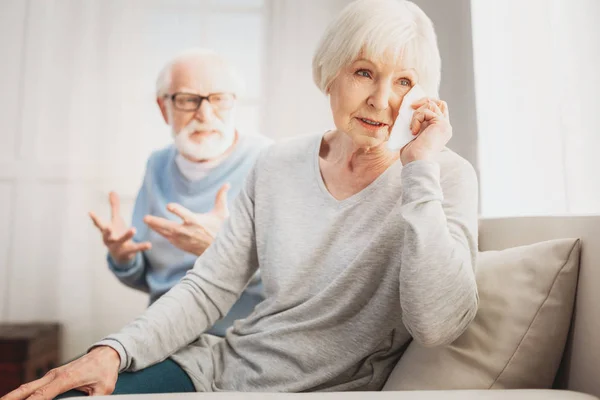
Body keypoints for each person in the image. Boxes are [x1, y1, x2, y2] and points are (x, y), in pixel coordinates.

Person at [3, 0, 479, 398]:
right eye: (363, 72)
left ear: (422, 94)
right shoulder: (276, 163)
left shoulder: (441, 175)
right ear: (330, 74)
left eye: (403, 82)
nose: (380, 100)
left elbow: (436, 325)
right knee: (65, 393)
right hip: (218, 367)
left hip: (324, 388)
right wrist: (111, 352)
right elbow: (207, 288)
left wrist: (419, 169)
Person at [88, 49, 272, 337]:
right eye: (188, 99)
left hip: (245, 337)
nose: (205, 113)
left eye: (219, 98)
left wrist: (221, 251)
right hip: (165, 334)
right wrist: (124, 257)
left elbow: (294, 281)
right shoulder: (157, 164)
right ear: (164, 108)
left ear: (234, 103)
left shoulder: (270, 160)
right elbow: (153, 279)